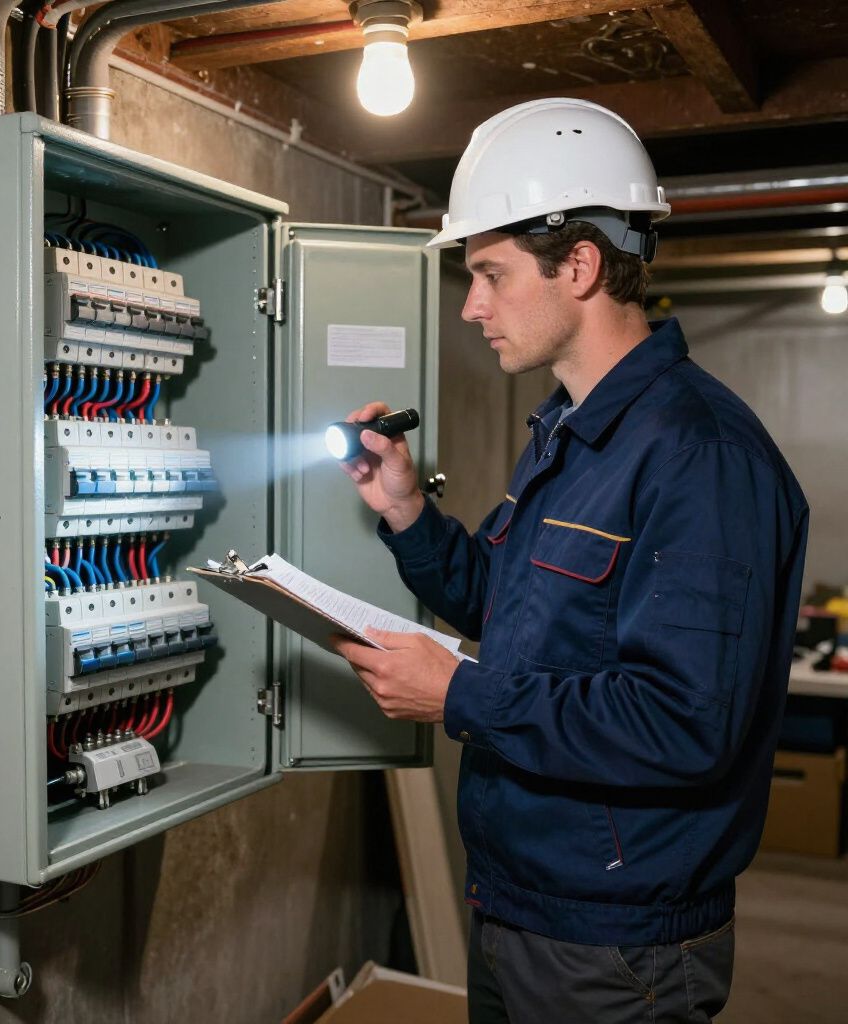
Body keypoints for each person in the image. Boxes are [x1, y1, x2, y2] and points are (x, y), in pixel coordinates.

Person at [332, 98, 809, 1023]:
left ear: (580, 264)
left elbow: (682, 723)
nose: (470, 307)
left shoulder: (699, 455)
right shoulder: (572, 436)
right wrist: (405, 511)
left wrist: (458, 695)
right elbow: (516, 616)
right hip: (519, 903)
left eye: (490, 275)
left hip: (618, 944)